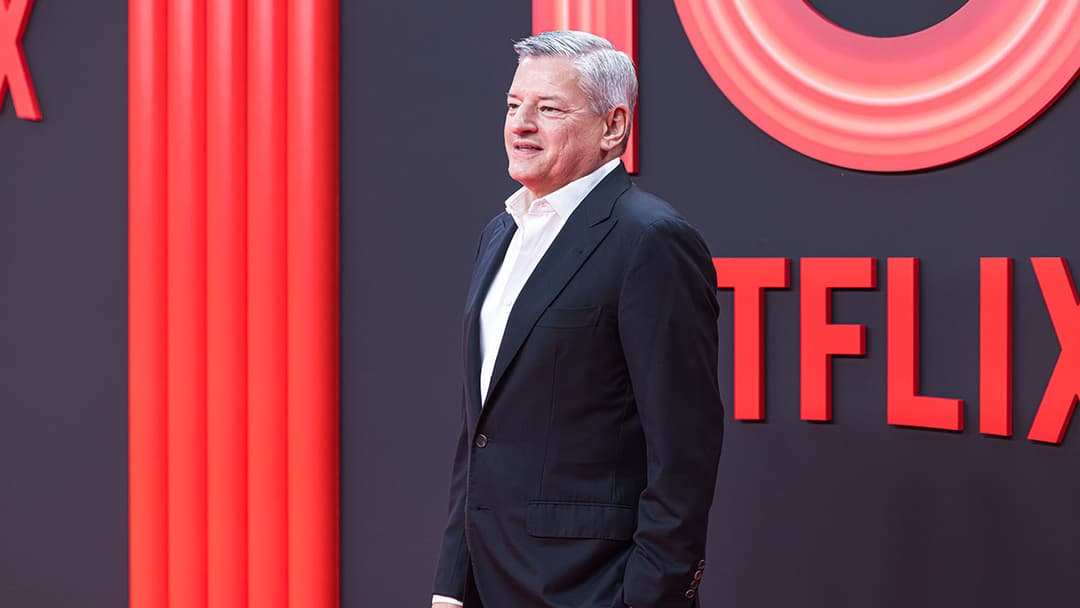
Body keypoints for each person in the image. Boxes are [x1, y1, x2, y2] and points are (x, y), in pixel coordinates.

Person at [432, 30, 724, 608]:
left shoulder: (650, 240)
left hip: (591, 587)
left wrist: (651, 597)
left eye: (548, 109)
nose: (520, 125)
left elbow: (684, 449)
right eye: (513, 105)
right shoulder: (501, 234)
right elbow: (480, 432)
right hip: (488, 584)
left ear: (613, 126)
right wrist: (451, 585)